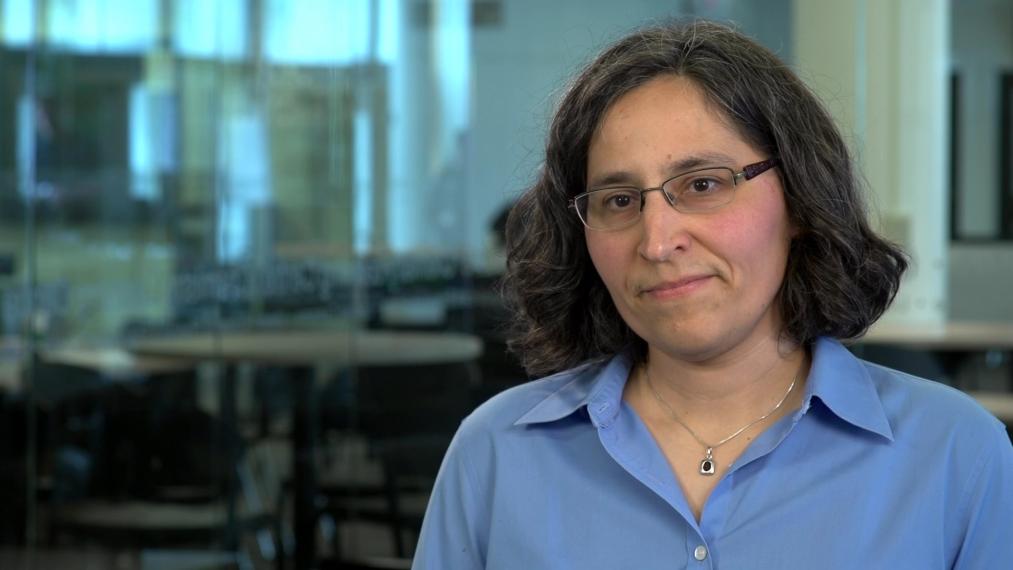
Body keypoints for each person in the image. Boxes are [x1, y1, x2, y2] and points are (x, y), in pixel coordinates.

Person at [412, 20, 1013, 569]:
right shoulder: (495, 454)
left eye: (703, 184)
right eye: (619, 200)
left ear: (801, 199)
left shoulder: (956, 456)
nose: (657, 240)